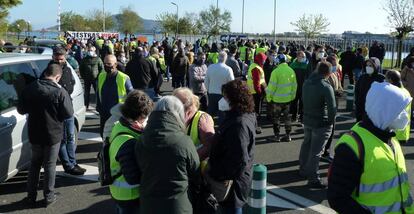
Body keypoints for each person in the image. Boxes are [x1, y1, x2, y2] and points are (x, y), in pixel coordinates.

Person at [328, 81, 414, 213]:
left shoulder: (390, 137)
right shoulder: (351, 146)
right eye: (399, 110)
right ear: (383, 111)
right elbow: (337, 198)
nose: (404, 115)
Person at [17, 64, 73, 207]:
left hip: (34, 133)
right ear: (58, 77)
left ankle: (30, 196)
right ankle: (48, 196)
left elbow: (21, 110)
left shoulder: (30, 88)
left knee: (34, 164)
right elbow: (68, 114)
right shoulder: (60, 92)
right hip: (53, 134)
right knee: (49, 165)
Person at [135, 96, 200, 214]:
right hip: (178, 206)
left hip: (149, 204)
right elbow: (195, 170)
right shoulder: (183, 141)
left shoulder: (141, 140)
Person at [207, 79, 256, 213]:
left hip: (231, 184)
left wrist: (216, 173)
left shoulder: (238, 124)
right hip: (235, 180)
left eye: (225, 96)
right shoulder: (244, 115)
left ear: (234, 99)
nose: (223, 100)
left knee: (231, 209)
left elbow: (239, 160)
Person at [109, 90, 153, 214]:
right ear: (140, 117)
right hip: (129, 196)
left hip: (119, 192)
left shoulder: (120, 125)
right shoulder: (128, 143)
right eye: (146, 117)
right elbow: (133, 177)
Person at [299, 61, 336, 189]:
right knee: (316, 151)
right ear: (329, 73)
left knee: (306, 145)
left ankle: (303, 169)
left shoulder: (307, 82)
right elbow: (332, 107)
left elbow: (303, 99)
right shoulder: (325, 86)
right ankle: (313, 178)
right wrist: (330, 121)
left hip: (308, 119)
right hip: (321, 122)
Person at [50, 47, 86, 175]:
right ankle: (69, 165)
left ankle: (73, 162)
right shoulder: (50, 71)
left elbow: (71, 84)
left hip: (68, 108)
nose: (59, 61)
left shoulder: (67, 69)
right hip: (58, 111)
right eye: (57, 58)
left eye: (61, 58)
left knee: (70, 137)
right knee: (63, 139)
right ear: (53, 57)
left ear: (65, 57)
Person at [173, 88, 215, 161]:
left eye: (176, 103)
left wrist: (189, 159)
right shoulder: (174, 116)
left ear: (188, 106)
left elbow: (209, 146)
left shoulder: (202, 119)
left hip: (195, 165)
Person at [97, 54, 133, 137]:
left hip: (118, 114)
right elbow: (98, 93)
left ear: (115, 64)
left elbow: (132, 96)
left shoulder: (124, 78)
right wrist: (98, 108)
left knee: (115, 136)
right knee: (103, 134)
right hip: (104, 113)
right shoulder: (101, 76)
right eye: (104, 63)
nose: (106, 66)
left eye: (109, 64)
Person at [266, 54, 297, 142]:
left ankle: (277, 136)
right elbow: (294, 85)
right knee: (287, 118)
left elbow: (271, 87)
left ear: (278, 61)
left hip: (277, 100)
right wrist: (292, 96)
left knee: (276, 118)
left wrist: (268, 98)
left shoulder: (275, 72)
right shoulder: (291, 70)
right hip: (288, 99)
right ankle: (288, 135)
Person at [385, 69, 412, 144]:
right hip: (403, 132)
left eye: (386, 79)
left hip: (394, 133)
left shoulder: (394, 93)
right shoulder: (405, 91)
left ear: (390, 80)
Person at [205, 51, 235, 118]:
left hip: (212, 94)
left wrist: (209, 90)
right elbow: (232, 83)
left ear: (218, 57)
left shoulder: (210, 67)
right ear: (226, 58)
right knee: (222, 116)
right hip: (223, 95)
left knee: (209, 115)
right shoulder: (228, 69)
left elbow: (206, 81)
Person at [355, 57, 385, 122]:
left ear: (376, 66)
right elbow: (357, 91)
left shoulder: (381, 79)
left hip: (374, 110)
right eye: (367, 65)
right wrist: (357, 103)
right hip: (361, 108)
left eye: (370, 66)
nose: (368, 67)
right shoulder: (362, 77)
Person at [247, 52, 267, 134]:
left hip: (252, 91)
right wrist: (260, 93)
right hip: (255, 92)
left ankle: (254, 125)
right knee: (256, 110)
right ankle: (255, 127)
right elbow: (256, 82)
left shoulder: (254, 65)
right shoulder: (256, 68)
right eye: (263, 60)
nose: (264, 61)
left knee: (253, 109)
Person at [79, 46, 104, 110]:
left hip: (96, 79)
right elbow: (81, 69)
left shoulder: (98, 59)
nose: (90, 52)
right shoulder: (84, 59)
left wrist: (99, 77)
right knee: (86, 93)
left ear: (94, 51)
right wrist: (83, 76)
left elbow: (101, 68)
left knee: (97, 93)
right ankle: (85, 105)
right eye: (89, 50)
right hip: (87, 79)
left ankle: (98, 106)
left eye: (91, 50)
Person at [289, 50, 311, 122]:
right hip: (295, 87)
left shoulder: (308, 65)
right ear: (298, 57)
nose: (304, 58)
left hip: (304, 87)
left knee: (303, 103)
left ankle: (302, 117)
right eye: (302, 56)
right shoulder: (293, 65)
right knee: (294, 102)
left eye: (304, 56)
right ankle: (294, 116)